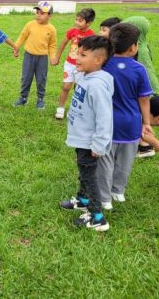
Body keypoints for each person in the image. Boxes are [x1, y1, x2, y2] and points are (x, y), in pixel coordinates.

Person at [59, 36, 114, 231]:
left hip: (90, 141)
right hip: (81, 137)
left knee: (90, 177)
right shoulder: (86, 76)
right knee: (83, 171)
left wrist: (99, 144)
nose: (77, 57)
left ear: (98, 60)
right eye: (77, 53)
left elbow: (104, 118)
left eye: (83, 55)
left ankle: (97, 216)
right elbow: (76, 73)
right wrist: (79, 65)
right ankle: (82, 199)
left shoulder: (97, 85)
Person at [96, 23, 153, 210]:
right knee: (126, 160)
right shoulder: (139, 69)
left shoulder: (102, 64)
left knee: (105, 160)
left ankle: (104, 198)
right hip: (131, 123)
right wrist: (146, 122)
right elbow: (144, 99)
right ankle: (118, 191)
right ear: (133, 47)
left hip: (106, 122)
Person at [124, 16, 159, 158]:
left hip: (144, 89)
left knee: (141, 117)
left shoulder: (139, 50)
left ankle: (145, 146)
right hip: (145, 87)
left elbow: (143, 71)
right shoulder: (143, 45)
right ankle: (143, 144)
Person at [51, 8, 96, 119]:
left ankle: (76, 109)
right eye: (76, 19)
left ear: (89, 23)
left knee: (78, 88)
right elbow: (63, 43)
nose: (76, 22)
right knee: (66, 86)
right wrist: (57, 57)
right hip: (69, 64)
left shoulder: (92, 35)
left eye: (80, 21)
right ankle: (60, 108)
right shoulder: (72, 31)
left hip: (82, 67)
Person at [13, 1, 57, 109]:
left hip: (42, 58)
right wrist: (16, 47)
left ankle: (40, 99)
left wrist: (52, 57)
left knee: (41, 79)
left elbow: (52, 45)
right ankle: (23, 98)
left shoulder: (51, 29)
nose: (38, 15)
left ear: (49, 15)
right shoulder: (30, 25)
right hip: (29, 56)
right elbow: (22, 37)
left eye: (42, 13)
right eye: (37, 12)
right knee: (26, 77)